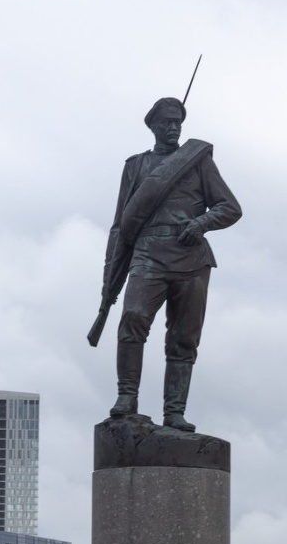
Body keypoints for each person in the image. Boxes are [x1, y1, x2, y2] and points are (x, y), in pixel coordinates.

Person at [98, 95, 242, 432]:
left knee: (184, 338)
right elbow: (120, 223)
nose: (174, 127)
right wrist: (109, 274)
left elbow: (230, 207)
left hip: (191, 258)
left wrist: (201, 223)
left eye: (178, 121)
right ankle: (126, 397)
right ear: (153, 125)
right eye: (167, 122)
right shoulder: (135, 166)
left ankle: (174, 412)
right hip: (148, 252)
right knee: (132, 317)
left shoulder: (197, 162)